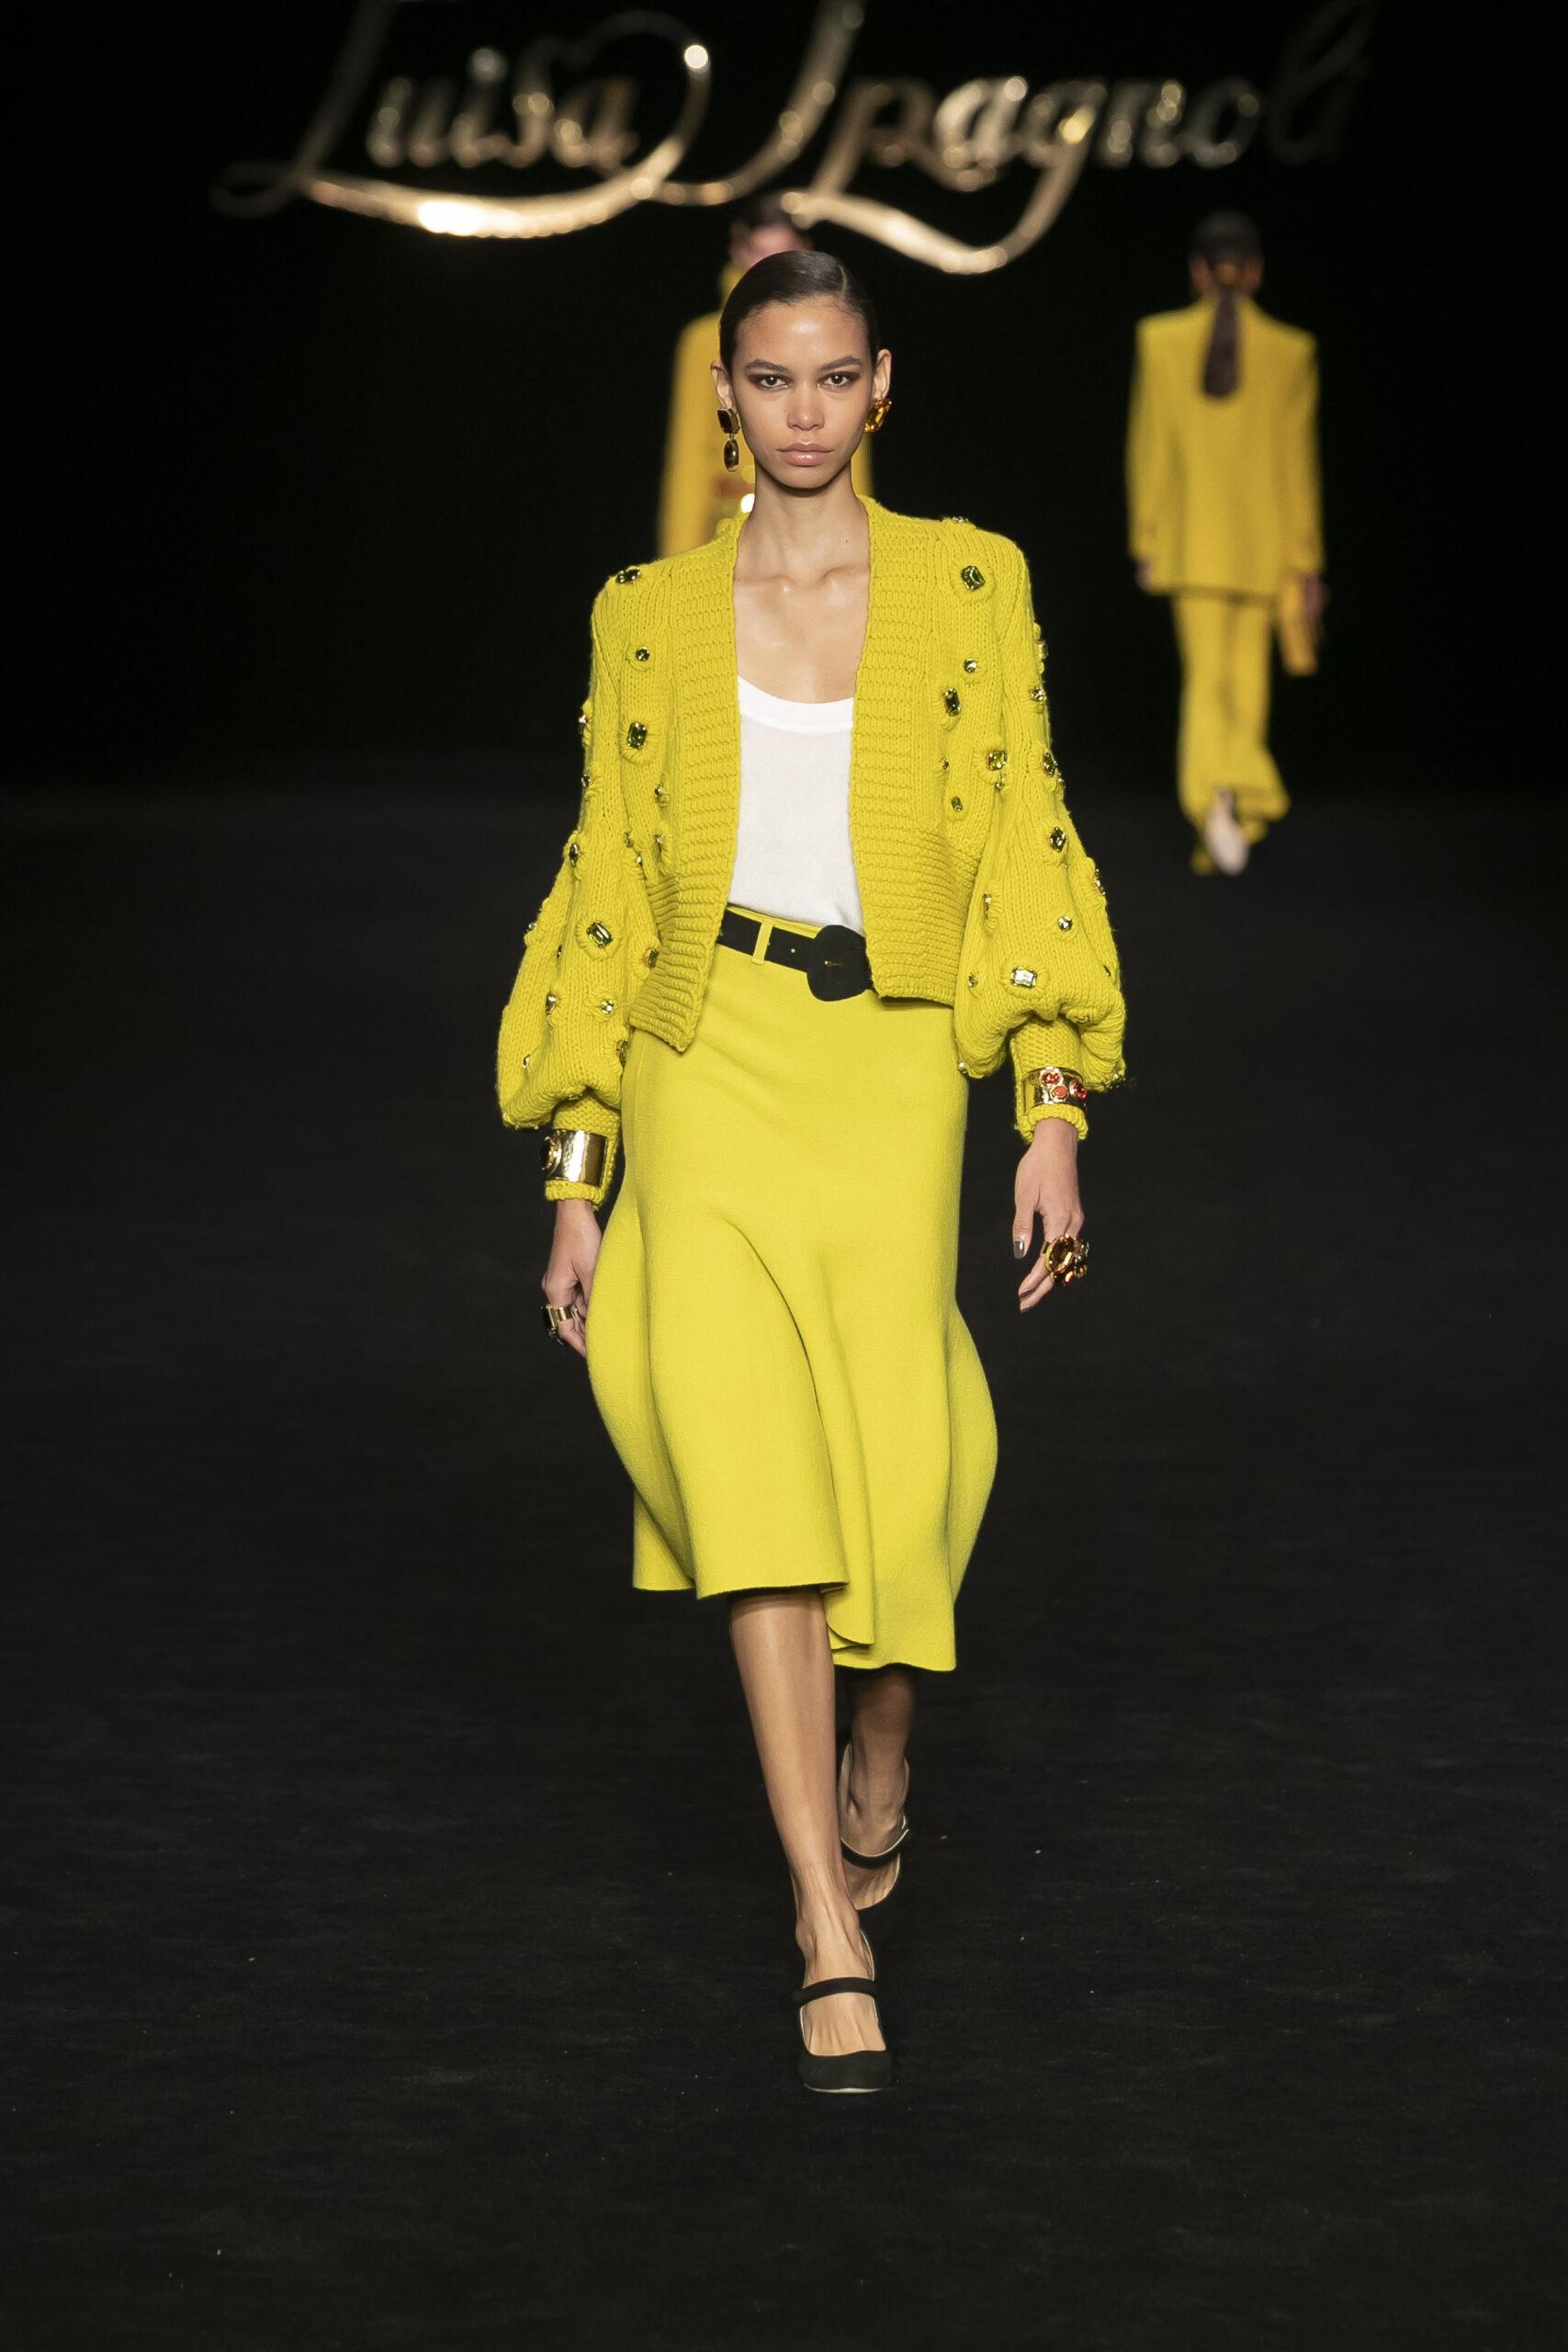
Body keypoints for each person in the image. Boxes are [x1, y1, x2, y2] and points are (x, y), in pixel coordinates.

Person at [498, 251, 1125, 2092]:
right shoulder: (645, 612)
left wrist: (1052, 1110)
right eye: (767, 378)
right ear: (724, 393)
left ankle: (884, 1748)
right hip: (704, 1058)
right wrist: (579, 1168)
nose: (799, 409)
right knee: (750, 1468)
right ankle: (820, 1919)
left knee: (905, 1469)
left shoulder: (968, 584)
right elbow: (609, 883)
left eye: (830, 376)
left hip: (890, 1062)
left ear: (880, 385)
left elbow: (1024, 839)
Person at [1126, 212, 1325, 876]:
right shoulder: (1290, 349)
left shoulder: (1158, 339)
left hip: (1191, 542)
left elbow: (1149, 447)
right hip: (1265, 546)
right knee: (1246, 686)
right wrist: (1305, 558)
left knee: (1206, 683)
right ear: (1256, 272)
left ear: (1198, 272)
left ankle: (1213, 802)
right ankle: (1236, 800)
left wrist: (1146, 534)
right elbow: (1298, 465)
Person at [657, 196, 873, 559]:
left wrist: (862, 549)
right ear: (738, 254)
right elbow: (688, 458)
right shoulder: (705, 340)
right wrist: (675, 563)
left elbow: (850, 443)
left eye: (783, 252)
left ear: (804, 251)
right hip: (725, 534)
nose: (771, 265)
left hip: (815, 529)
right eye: (760, 252)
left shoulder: (833, 334)